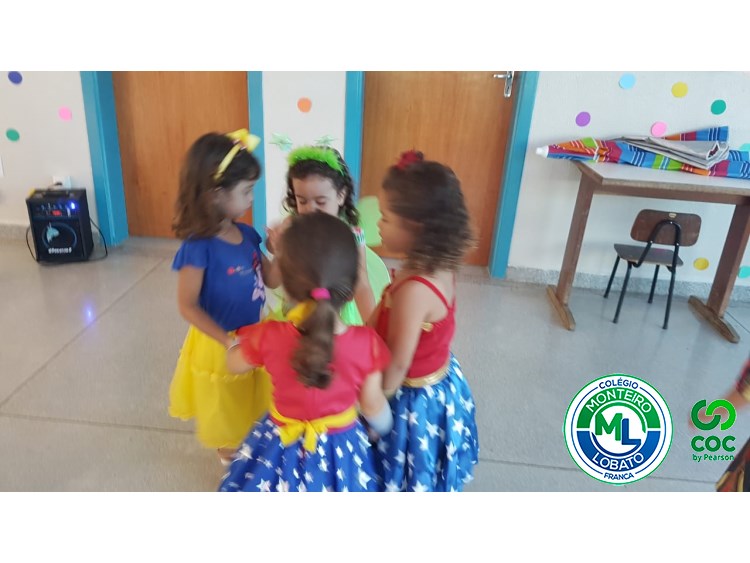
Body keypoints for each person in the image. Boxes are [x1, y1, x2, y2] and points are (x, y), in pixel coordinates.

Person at [220, 212, 392, 492]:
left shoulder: (268, 335)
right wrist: (384, 429)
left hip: (278, 446)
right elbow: (373, 406)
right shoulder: (367, 344)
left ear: (287, 288)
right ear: (349, 290)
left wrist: (234, 342)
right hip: (341, 451)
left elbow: (234, 364)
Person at [169, 130, 279, 466]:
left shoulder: (247, 234)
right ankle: (231, 460)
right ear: (216, 194)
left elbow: (272, 279)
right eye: (246, 191)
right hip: (220, 343)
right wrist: (227, 341)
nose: (251, 199)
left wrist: (280, 251)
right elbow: (187, 305)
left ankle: (252, 443)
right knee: (226, 401)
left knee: (251, 396)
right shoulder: (197, 247)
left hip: (254, 333)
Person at [370, 150, 479, 491]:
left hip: (410, 397)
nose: (378, 224)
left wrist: (375, 410)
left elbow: (398, 364)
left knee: (402, 465)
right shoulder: (437, 264)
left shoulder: (415, 292)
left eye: (385, 217)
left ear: (415, 227)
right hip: (440, 378)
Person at [266, 145, 389, 325]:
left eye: (321, 201)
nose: (311, 209)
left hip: (335, 318)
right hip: (296, 318)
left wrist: (373, 330)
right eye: (302, 201)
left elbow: (361, 285)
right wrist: (279, 250)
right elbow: (273, 281)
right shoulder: (292, 229)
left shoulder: (351, 236)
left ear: (341, 196)